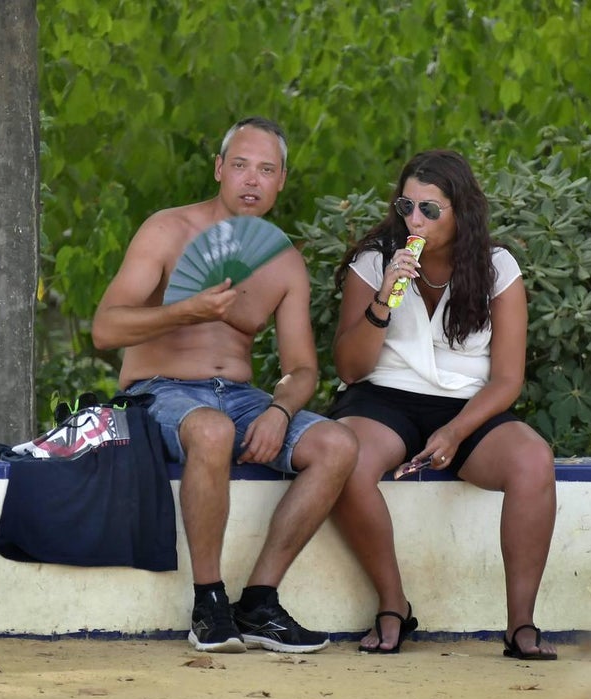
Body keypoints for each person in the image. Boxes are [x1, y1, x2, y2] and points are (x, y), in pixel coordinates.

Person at [92, 117, 357, 654]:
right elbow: (106, 329)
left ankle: (259, 601)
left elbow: (302, 368)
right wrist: (186, 309)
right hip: (158, 390)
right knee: (211, 431)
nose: (251, 180)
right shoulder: (167, 230)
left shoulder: (283, 261)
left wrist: (280, 409)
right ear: (219, 170)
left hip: (239, 396)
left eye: (265, 169)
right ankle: (208, 604)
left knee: (337, 444)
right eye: (239, 165)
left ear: (282, 180)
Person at [328, 149, 558, 660]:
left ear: (461, 212)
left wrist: (456, 431)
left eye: (430, 211)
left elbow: (507, 379)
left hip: (469, 403)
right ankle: (393, 606)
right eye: (406, 206)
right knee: (346, 461)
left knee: (533, 459)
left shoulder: (497, 267)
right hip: (383, 395)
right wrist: (383, 298)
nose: (414, 220)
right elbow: (349, 369)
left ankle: (521, 624)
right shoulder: (374, 260)